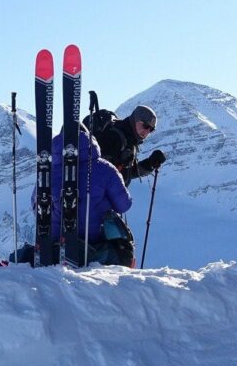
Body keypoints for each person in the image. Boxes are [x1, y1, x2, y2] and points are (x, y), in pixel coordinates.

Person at [26, 126, 134, 266]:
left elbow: (37, 208)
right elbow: (124, 205)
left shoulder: (47, 170)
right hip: (94, 246)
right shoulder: (105, 168)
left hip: (55, 246)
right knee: (123, 253)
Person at [95, 104, 167, 186]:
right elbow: (97, 170)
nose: (147, 131)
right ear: (135, 120)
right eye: (145, 126)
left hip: (113, 195)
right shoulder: (114, 136)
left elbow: (128, 173)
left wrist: (150, 164)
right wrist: (120, 164)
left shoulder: (130, 140)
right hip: (100, 195)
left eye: (151, 129)